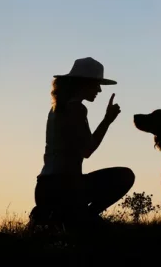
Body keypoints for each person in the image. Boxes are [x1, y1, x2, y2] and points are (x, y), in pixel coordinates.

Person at [30, 57, 135, 227]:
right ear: (83, 84)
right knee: (125, 176)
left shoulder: (57, 108)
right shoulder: (76, 109)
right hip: (66, 187)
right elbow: (87, 150)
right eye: (96, 84)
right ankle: (84, 216)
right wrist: (107, 120)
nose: (99, 90)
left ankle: (54, 214)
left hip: (45, 188)